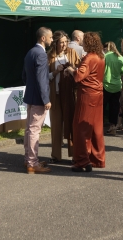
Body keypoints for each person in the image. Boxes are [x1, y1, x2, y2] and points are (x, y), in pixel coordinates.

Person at [65, 32, 106, 172]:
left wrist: (70, 69)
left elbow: (78, 76)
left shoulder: (89, 57)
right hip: (98, 94)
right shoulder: (100, 57)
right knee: (96, 127)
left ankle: (82, 161)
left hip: (87, 95)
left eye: (84, 40)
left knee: (80, 127)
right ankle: (97, 159)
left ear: (88, 43)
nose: (81, 42)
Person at [22, 27, 53, 174]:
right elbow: (42, 80)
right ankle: (32, 163)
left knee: (29, 129)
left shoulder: (30, 52)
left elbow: (24, 75)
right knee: (34, 130)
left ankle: (29, 159)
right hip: (38, 98)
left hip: (31, 96)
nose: (52, 40)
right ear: (43, 38)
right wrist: (46, 99)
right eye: (51, 37)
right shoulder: (41, 54)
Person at [47, 31, 81, 163]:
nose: (64, 44)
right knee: (56, 126)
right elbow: (46, 76)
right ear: (55, 43)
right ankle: (55, 155)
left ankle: (74, 155)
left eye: (66, 41)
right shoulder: (49, 56)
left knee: (71, 124)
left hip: (70, 94)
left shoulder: (72, 52)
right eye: (61, 42)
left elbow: (79, 70)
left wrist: (71, 69)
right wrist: (56, 71)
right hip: (55, 95)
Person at [103, 41, 123, 135]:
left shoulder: (105, 56)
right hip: (117, 85)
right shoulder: (120, 57)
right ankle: (113, 126)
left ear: (107, 48)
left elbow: (101, 69)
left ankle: (99, 125)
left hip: (106, 84)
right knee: (114, 107)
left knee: (102, 106)